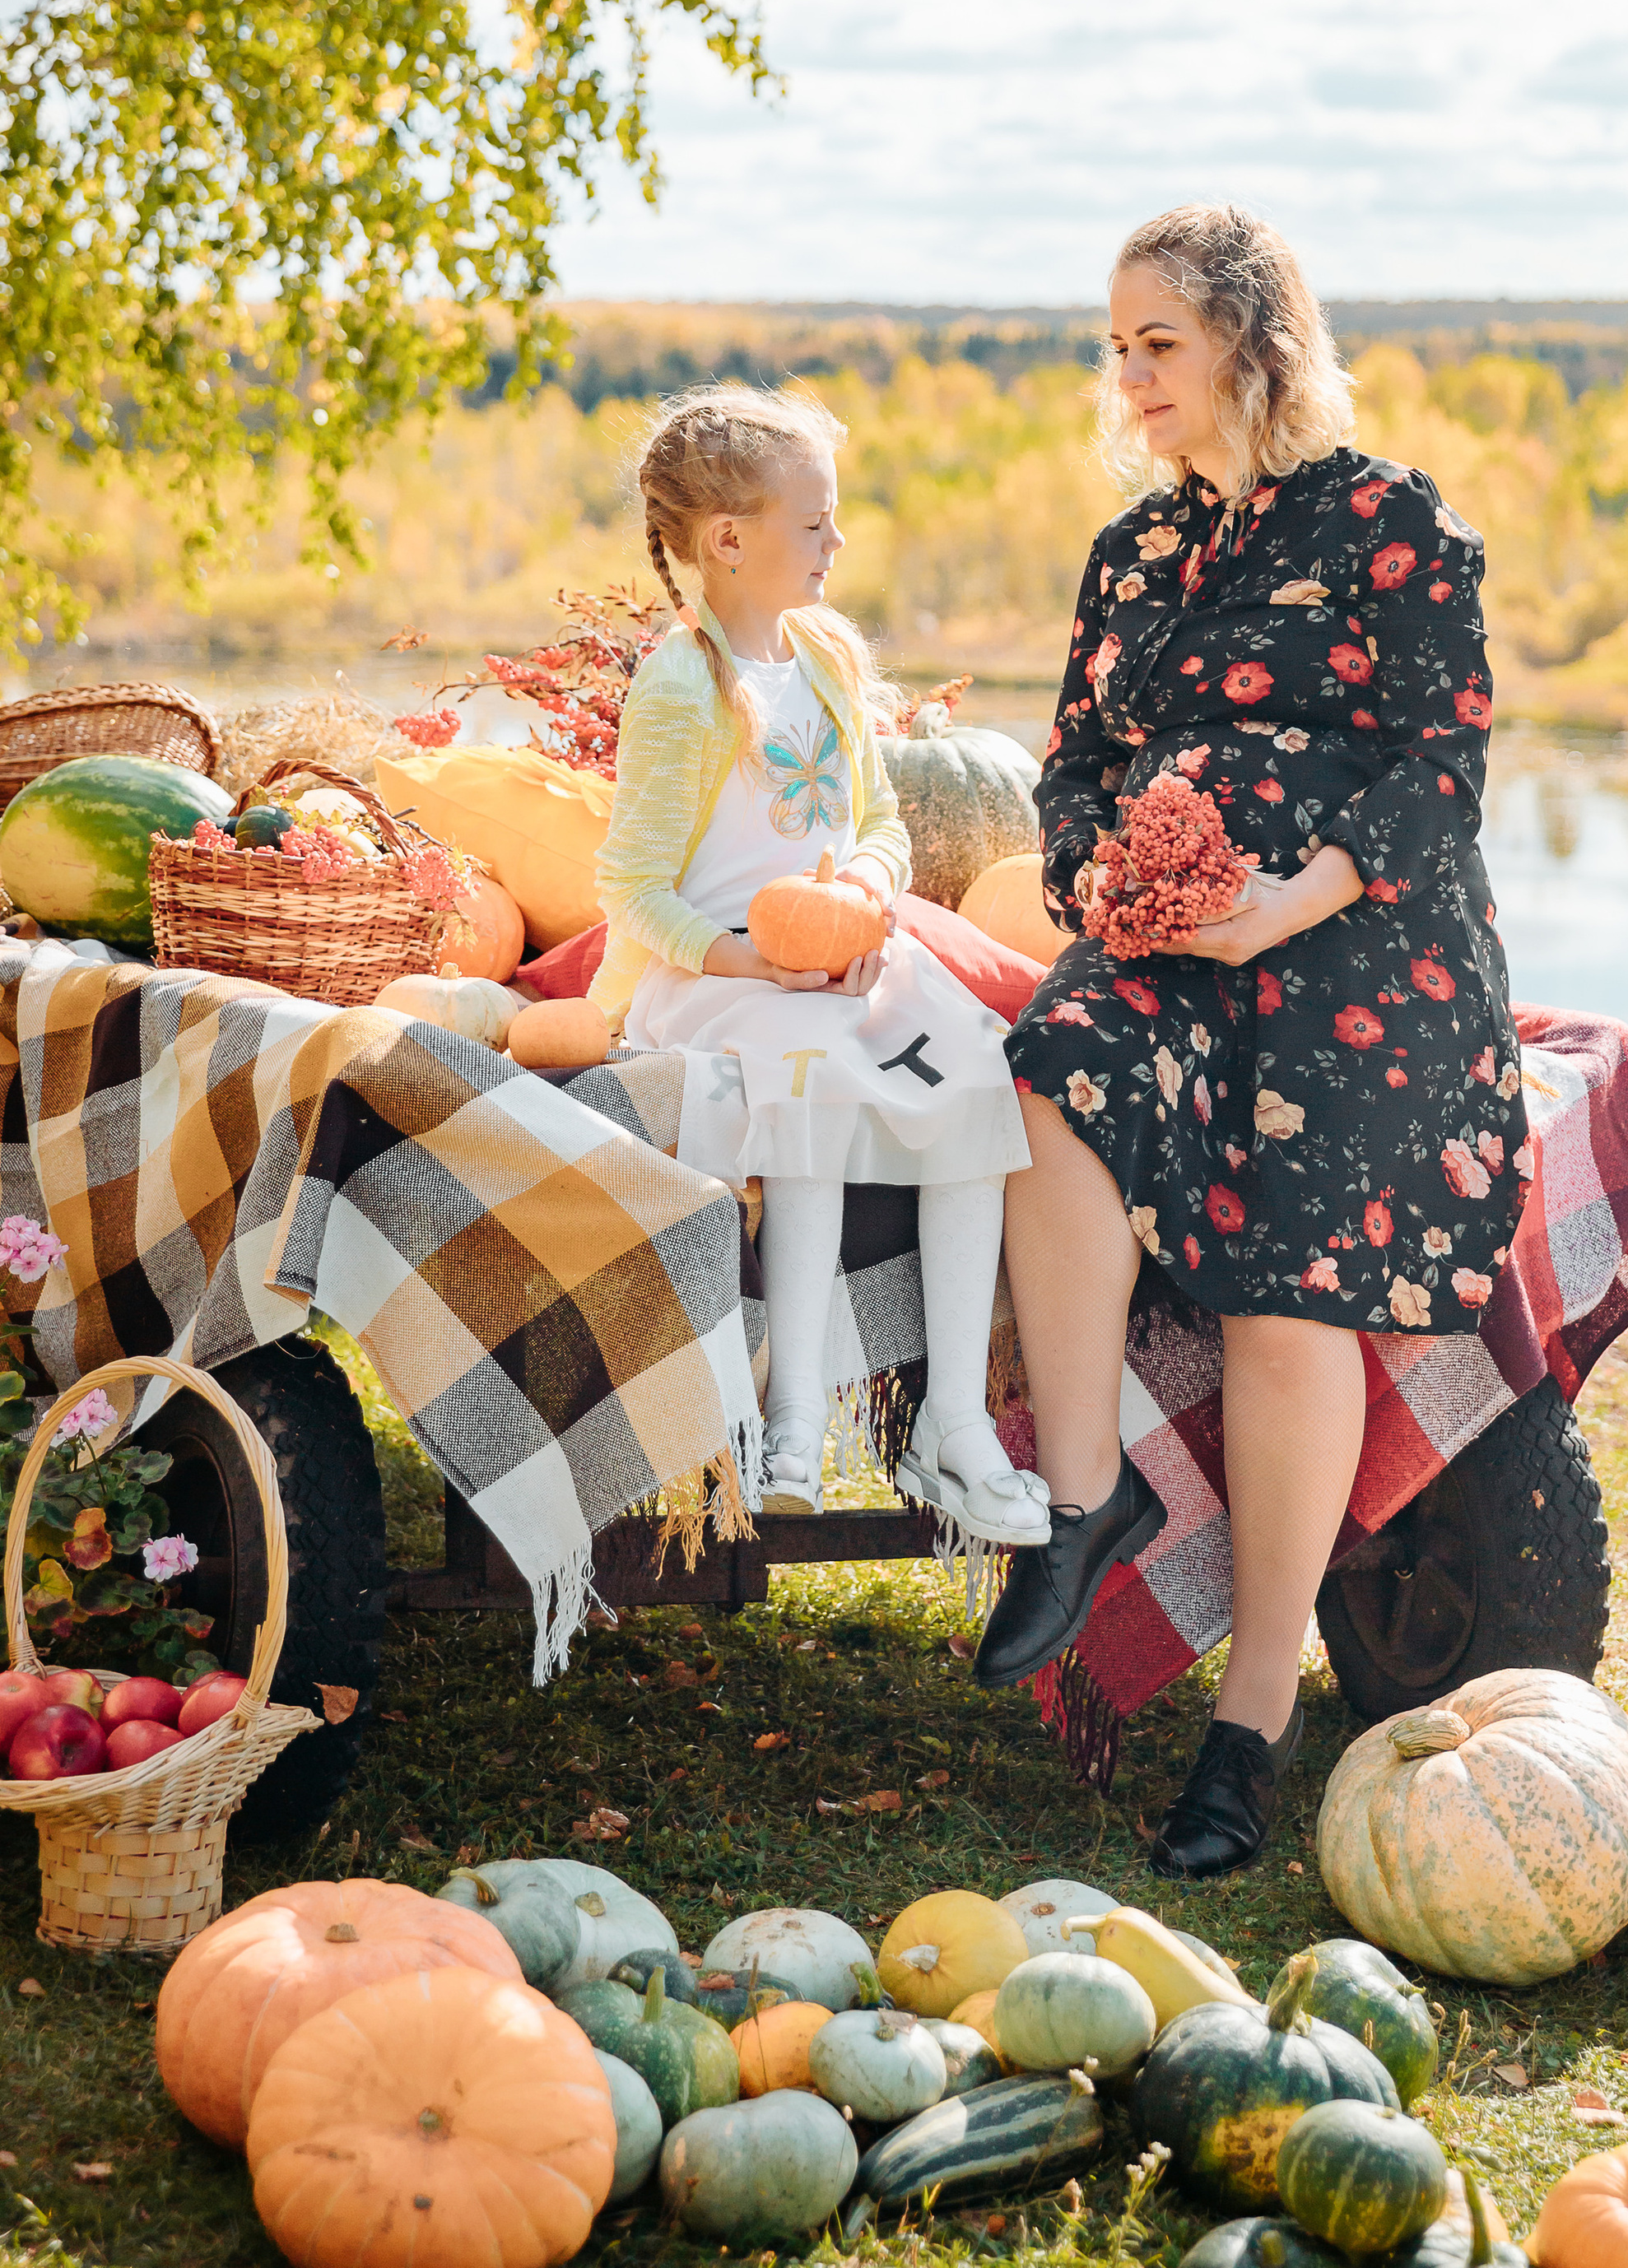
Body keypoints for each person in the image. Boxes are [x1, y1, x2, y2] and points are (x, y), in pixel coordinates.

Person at [981, 206, 1525, 1874]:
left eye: (1156, 342)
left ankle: (1249, 1727)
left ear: (1251, 345)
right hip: (1170, 949)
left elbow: (1441, 764)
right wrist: (1100, 876)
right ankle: (1086, 1503)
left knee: (1287, 1309)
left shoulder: (1384, 521)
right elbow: (1066, 764)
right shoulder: (1132, 554)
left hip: (1356, 955)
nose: (1126, 374)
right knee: (1052, 1069)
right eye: (1116, 345)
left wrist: (1282, 902)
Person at [589, 383, 1048, 1548]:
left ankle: (953, 1420)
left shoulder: (832, 659)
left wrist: (867, 896)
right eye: (815, 524)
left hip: (846, 961)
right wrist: (750, 956)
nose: (837, 544)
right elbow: (630, 890)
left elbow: (882, 820)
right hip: (719, 982)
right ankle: (789, 1414)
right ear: (728, 542)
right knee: (804, 1092)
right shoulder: (684, 685)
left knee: (976, 1074)